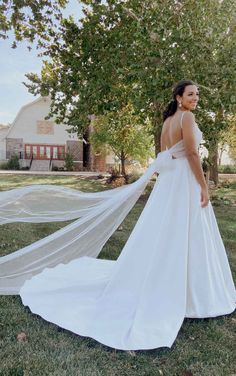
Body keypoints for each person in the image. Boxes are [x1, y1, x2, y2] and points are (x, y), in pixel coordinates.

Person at [0, 80, 235, 351]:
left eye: (198, 94)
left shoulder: (168, 120)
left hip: (171, 182)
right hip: (184, 180)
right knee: (186, 228)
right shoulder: (186, 117)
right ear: (179, 97)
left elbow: (162, 155)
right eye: (191, 94)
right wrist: (203, 185)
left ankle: (175, 281)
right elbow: (192, 153)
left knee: (167, 229)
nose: (196, 98)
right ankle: (193, 294)